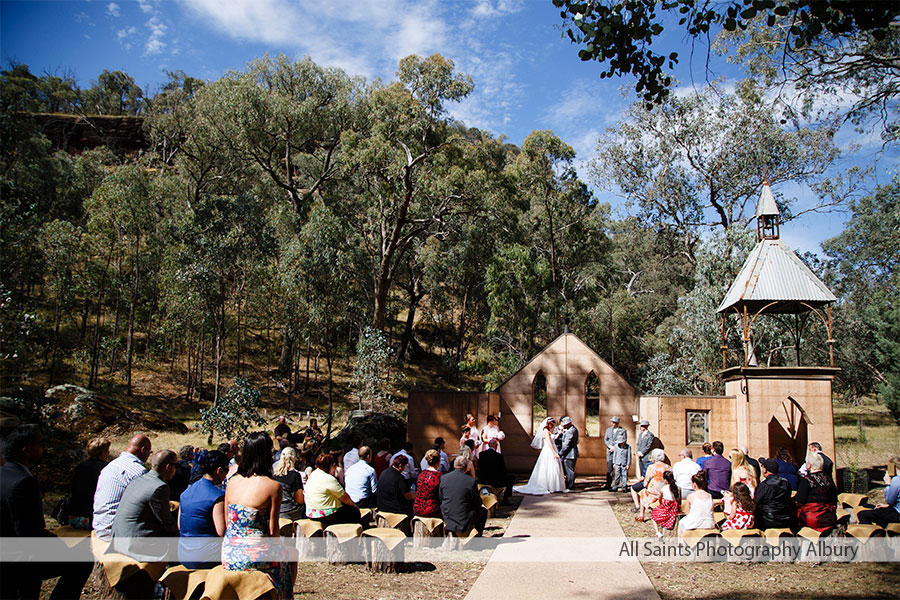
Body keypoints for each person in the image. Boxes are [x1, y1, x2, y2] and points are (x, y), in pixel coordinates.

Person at [0, 424, 93, 600]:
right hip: (16, 561)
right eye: (40, 444)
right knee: (82, 559)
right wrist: (61, 545)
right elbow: (28, 533)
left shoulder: (4, 474)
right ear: (26, 450)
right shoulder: (23, 483)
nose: (44, 448)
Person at [222, 432, 294, 599]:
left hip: (229, 552)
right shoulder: (273, 487)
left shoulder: (231, 481)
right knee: (288, 557)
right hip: (255, 554)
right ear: (266, 455)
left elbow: (228, 522)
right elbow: (273, 531)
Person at [111, 450, 179, 562]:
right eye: (175, 466)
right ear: (168, 467)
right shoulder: (160, 487)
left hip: (119, 538)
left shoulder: (138, 479)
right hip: (135, 544)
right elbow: (166, 522)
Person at [93, 433, 152, 540]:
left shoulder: (110, 466)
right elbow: (147, 506)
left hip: (100, 526)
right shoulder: (138, 471)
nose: (148, 456)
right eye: (149, 452)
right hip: (117, 532)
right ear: (143, 450)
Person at [178, 450, 228, 569]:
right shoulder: (217, 496)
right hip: (206, 556)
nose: (226, 476)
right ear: (219, 470)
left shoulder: (186, 492)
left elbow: (180, 525)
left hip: (183, 553)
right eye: (226, 471)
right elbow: (221, 532)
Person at [66, 436, 111, 529]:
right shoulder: (108, 469)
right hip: (94, 520)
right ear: (103, 453)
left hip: (73, 517)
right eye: (107, 451)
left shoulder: (79, 467)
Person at [304, 453, 360, 526]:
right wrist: (354, 505)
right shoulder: (328, 478)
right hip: (325, 515)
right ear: (330, 466)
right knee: (354, 512)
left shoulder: (313, 474)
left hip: (310, 512)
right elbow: (343, 497)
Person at [513, 417, 564, 495]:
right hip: (549, 450)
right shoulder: (545, 431)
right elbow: (549, 443)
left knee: (554, 467)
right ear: (549, 424)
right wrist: (554, 452)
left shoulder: (550, 431)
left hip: (553, 448)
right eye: (552, 424)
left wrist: (559, 433)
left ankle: (554, 486)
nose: (553, 426)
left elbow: (553, 440)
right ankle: (547, 485)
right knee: (548, 467)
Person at [439, 455, 487, 535]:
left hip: (447, 514)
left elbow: (441, 497)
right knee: (484, 511)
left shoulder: (444, 478)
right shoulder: (471, 481)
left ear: (454, 465)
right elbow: (476, 501)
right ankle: (478, 537)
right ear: (466, 467)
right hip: (464, 517)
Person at [795, 451, 837, 532]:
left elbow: (799, 500)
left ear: (809, 465)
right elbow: (834, 497)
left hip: (813, 519)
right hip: (829, 517)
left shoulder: (807, 480)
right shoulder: (829, 479)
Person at [857, 456, 900, 528]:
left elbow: (889, 500)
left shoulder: (896, 480)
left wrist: (888, 484)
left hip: (897, 515)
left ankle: (873, 536)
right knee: (878, 511)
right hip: (896, 510)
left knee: (862, 515)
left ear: (893, 467)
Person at [754, 457, 795, 530]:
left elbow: (756, 502)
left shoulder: (764, 486)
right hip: (785, 518)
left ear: (765, 470)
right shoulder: (785, 483)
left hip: (767, 520)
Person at [632, 448, 669, 521]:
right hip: (665, 492)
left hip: (654, 493)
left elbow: (645, 484)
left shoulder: (651, 467)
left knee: (643, 492)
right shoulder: (668, 467)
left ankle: (641, 514)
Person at [272, 447, 305, 521]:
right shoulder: (295, 475)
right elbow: (300, 500)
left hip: (277, 509)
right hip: (290, 510)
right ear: (294, 458)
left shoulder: (274, 475)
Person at [650, 470, 680, 539]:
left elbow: (660, 499)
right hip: (674, 508)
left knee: (653, 514)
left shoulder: (663, 489)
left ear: (666, 480)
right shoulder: (678, 488)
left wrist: (661, 505)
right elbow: (679, 499)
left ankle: (657, 532)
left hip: (666, 507)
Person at [414, 449, 443, 518]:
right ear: (438, 462)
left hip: (417, 508)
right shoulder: (439, 476)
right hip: (432, 510)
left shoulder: (421, 474)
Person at [558, 416, 579, 491]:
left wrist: (560, 453)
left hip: (570, 454)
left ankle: (570, 487)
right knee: (568, 470)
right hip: (569, 453)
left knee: (569, 471)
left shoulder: (571, 431)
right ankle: (568, 485)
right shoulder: (571, 429)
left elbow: (566, 444)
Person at [603, 416, 624, 490]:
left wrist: (615, 447)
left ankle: (621, 484)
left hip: (618, 452)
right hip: (609, 452)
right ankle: (608, 484)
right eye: (612, 422)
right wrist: (609, 446)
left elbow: (624, 440)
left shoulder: (622, 431)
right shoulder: (608, 430)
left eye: (615, 422)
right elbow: (606, 439)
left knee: (619, 468)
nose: (613, 424)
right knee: (609, 468)